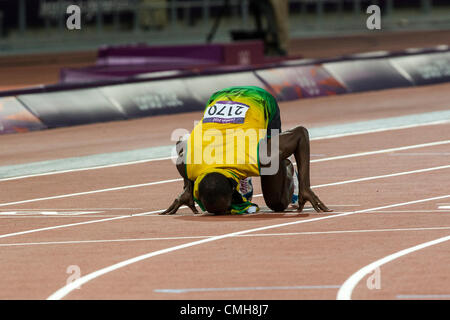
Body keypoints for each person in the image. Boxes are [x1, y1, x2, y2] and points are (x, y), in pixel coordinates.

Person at [161, 86, 330, 215]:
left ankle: (286, 169)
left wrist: (305, 187)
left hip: (259, 100)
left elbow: (300, 134)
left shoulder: (258, 156)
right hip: (218, 98)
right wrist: (188, 189)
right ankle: (244, 178)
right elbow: (181, 142)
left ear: (232, 188)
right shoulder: (187, 165)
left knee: (277, 203)